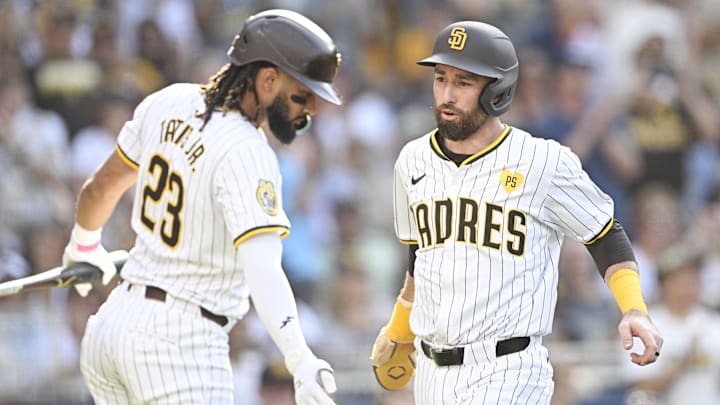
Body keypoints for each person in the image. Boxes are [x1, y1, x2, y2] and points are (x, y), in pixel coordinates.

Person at [370, 20, 663, 404]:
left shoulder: (542, 161)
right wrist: (398, 329)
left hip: (508, 369)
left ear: (497, 90)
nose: (446, 94)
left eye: (463, 83)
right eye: (441, 79)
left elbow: (604, 234)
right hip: (431, 374)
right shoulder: (412, 161)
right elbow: (418, 263)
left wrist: (634, 310)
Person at [61, 9, 342, 404]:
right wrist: (299, 356)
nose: (311, 108)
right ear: (267, 80)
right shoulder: (248, 150)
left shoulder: (166, 100)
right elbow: (262, 269)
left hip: (111, 328)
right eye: (303, 94)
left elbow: (100, 189)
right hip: (178, 345)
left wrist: (84, 245)